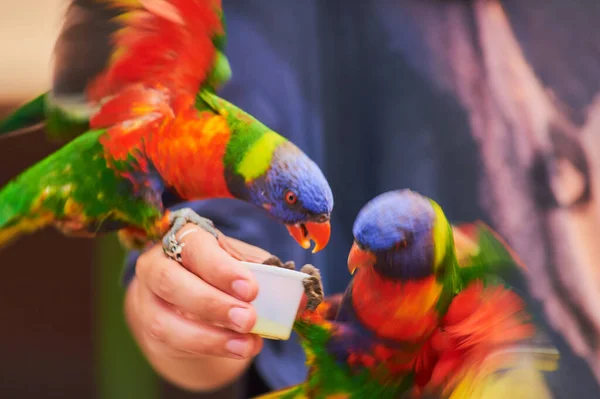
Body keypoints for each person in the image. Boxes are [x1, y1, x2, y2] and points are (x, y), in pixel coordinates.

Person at [122, 1, 600, 398]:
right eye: (362, 247)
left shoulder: (467, 287)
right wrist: (191, 297)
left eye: (382, 250)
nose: (357, 260)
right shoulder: (265, 29)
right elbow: (200, 265)